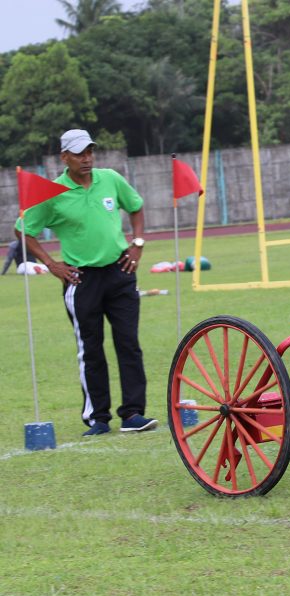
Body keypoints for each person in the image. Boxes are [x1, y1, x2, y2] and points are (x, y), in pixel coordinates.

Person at [16, 129, 158, 436]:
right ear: (64, 157)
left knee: (129, 344)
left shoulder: (111, 179)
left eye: (90, 151)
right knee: (91, 349)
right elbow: (23, 230)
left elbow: (135, 206)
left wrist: (137, 243)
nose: (87, 158)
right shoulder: (52, 193)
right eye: (80, 153)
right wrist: (51, 263)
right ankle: (98, 418)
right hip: (81, 279)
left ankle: (133, 414)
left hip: (120, 272)